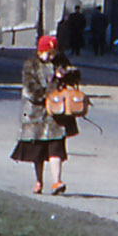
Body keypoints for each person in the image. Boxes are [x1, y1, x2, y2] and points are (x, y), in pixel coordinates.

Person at [11, 34, 77, 195]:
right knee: (37, 150)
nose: (50, 56)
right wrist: (50, 87)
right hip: (36, 113)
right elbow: (31, 90)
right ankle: (38, 181)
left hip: (56, 113)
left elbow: (76, 76)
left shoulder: (60, 62)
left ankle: (56, 182)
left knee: (56, 147)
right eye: (47, 52)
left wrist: (66, 74)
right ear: (40, 51)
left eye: (53, 53)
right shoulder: (30, 65)